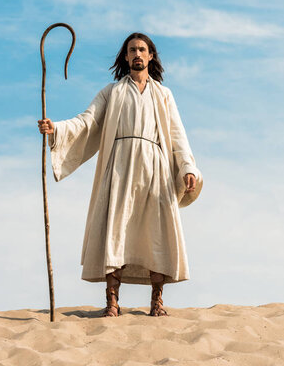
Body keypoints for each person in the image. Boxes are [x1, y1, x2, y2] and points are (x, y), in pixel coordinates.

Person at [37, 32, 202, 317]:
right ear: (125, 57)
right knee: (116, 228)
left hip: (155, 167)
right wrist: (57, 129)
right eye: (132, 50)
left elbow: (177, 134)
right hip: (120, 166)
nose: (137, 54)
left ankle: (157, 302)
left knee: (157, 230)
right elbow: (87, 121)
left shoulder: (163, 94)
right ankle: (112, 302)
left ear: (151, 56)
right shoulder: (111, 92)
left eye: (142, 49)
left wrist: (187, 167)